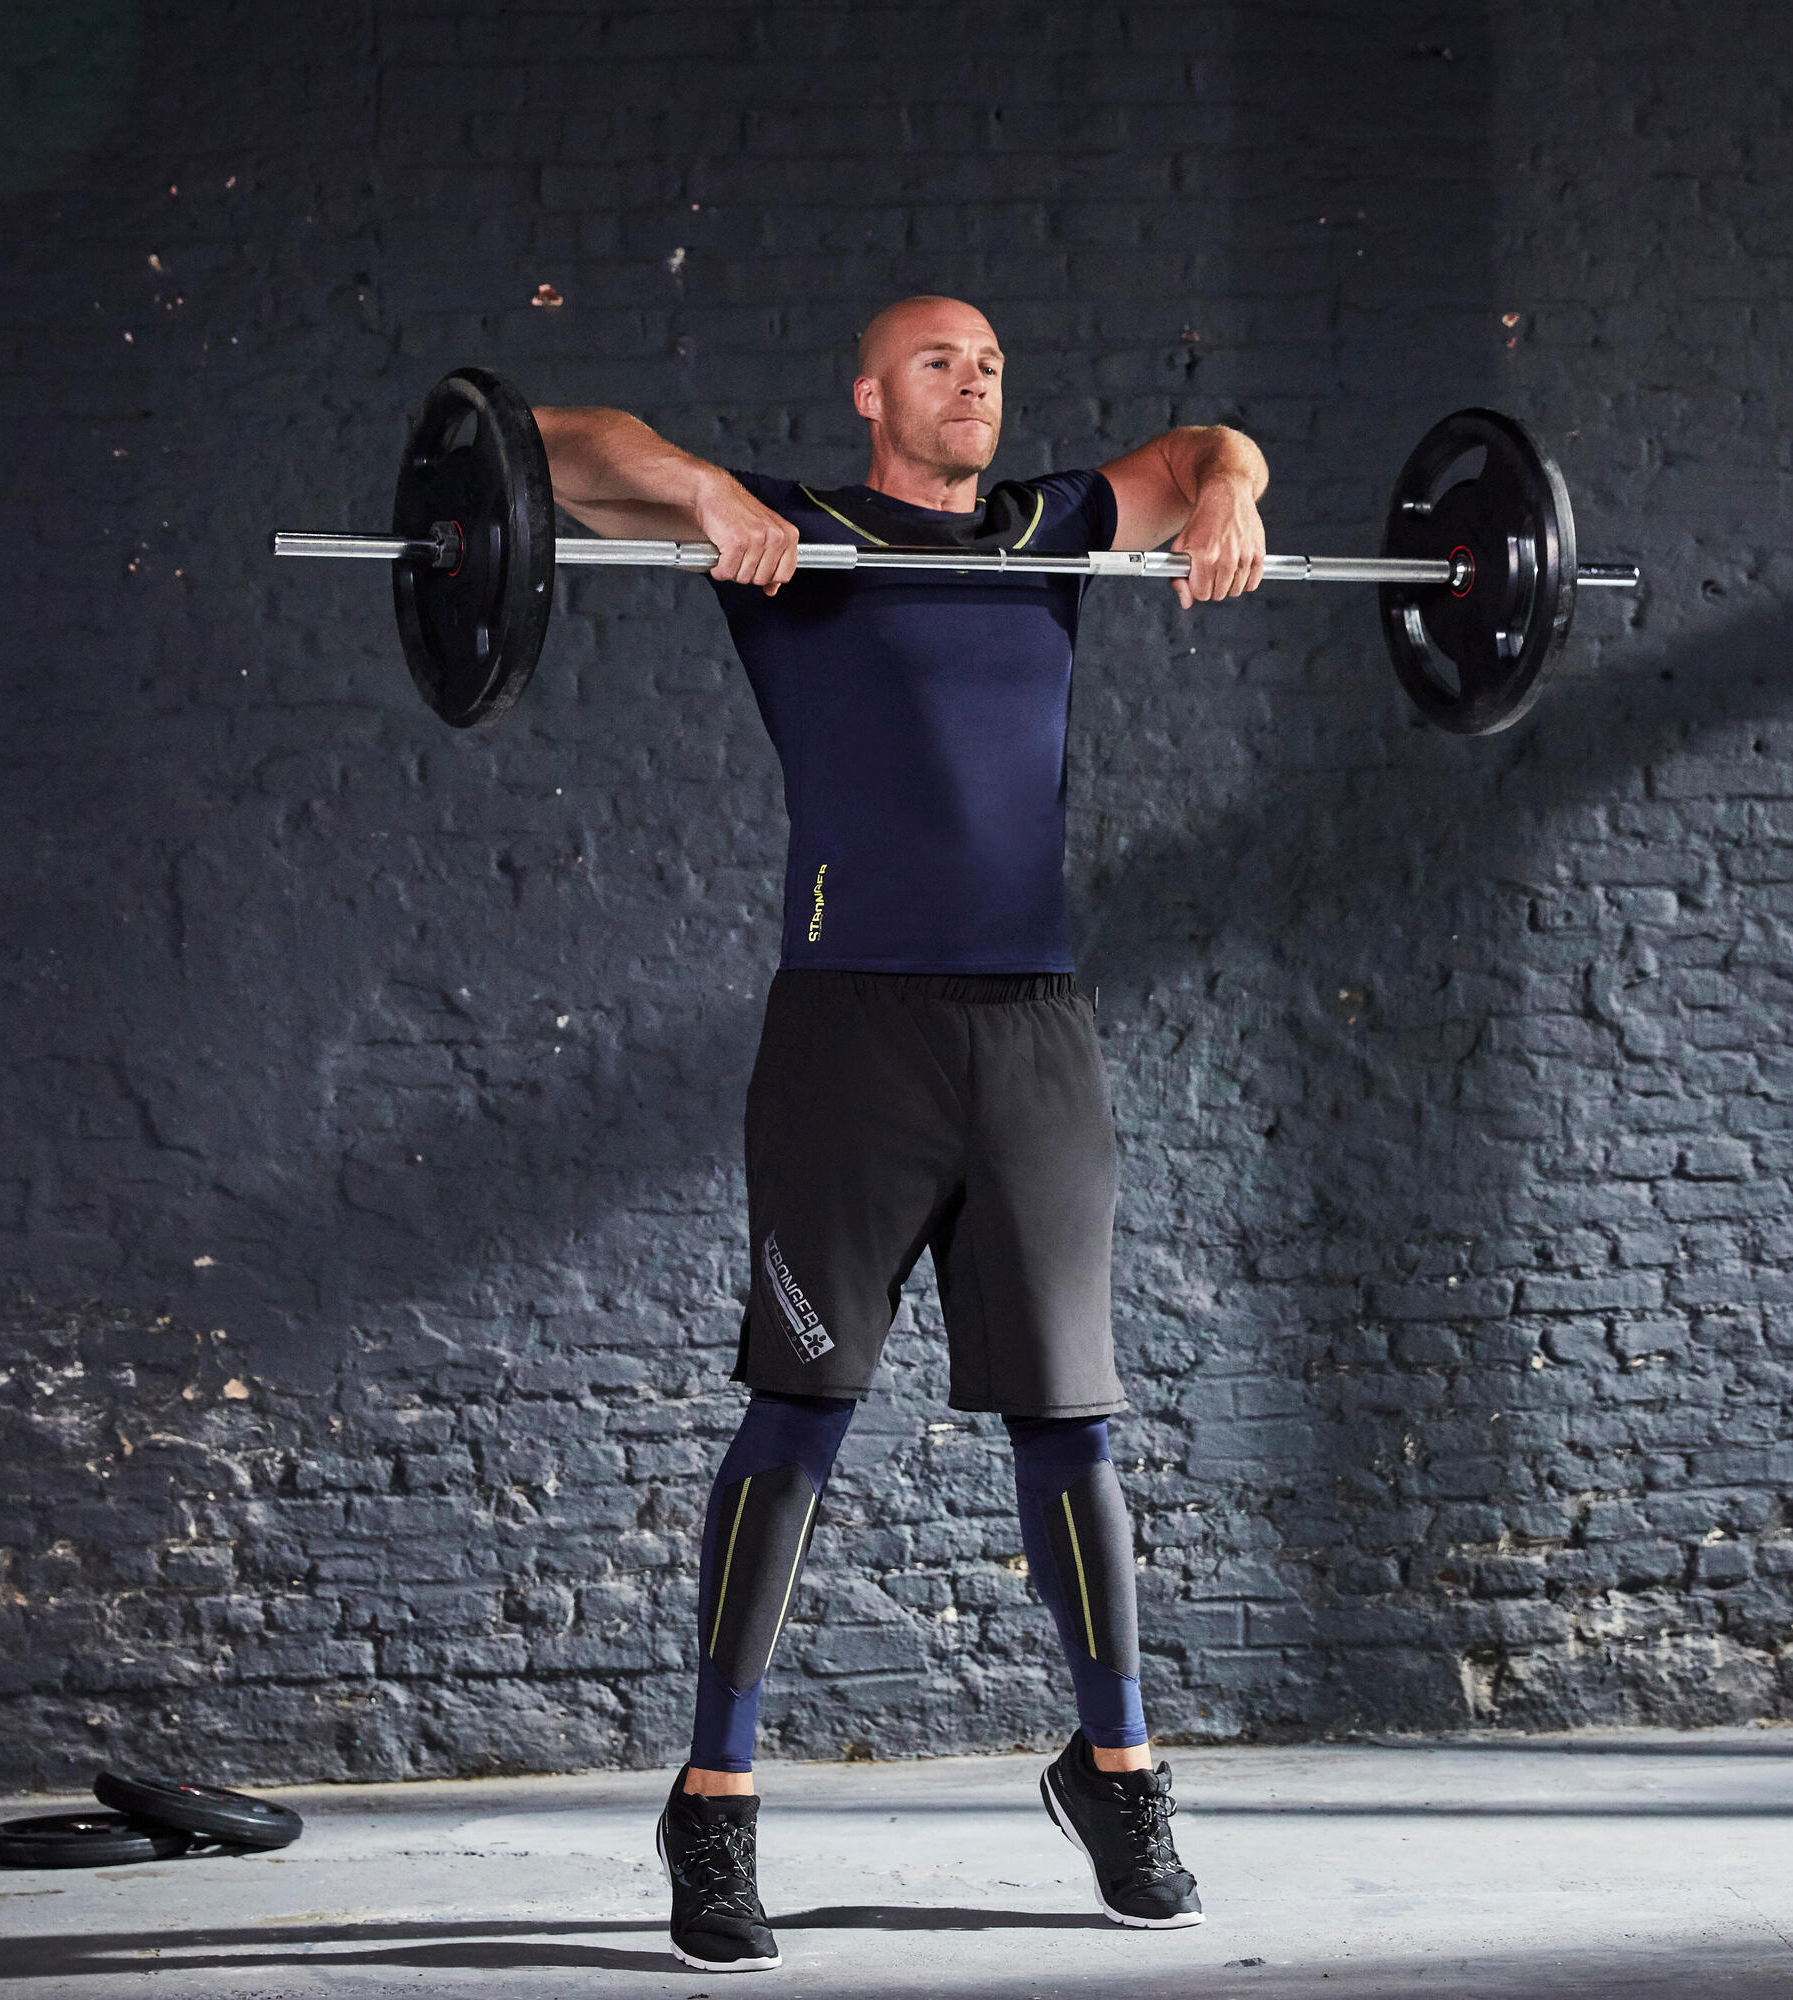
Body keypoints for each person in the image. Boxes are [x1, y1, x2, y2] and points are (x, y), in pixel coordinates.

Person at [534, 296, 1269, 1974]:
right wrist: (705, 499)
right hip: (847, 1038)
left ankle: (1118, 1773)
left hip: (1034, 1037)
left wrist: (1233, 494)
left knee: (1071, 1425)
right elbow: (553, 451)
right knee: (798, 1415)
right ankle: (714, 1804)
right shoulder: (791, 533)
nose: (977, 382)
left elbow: (1204, 453)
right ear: (870, 392)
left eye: (994, 362)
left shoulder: (1050, 529)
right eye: (940, 362)